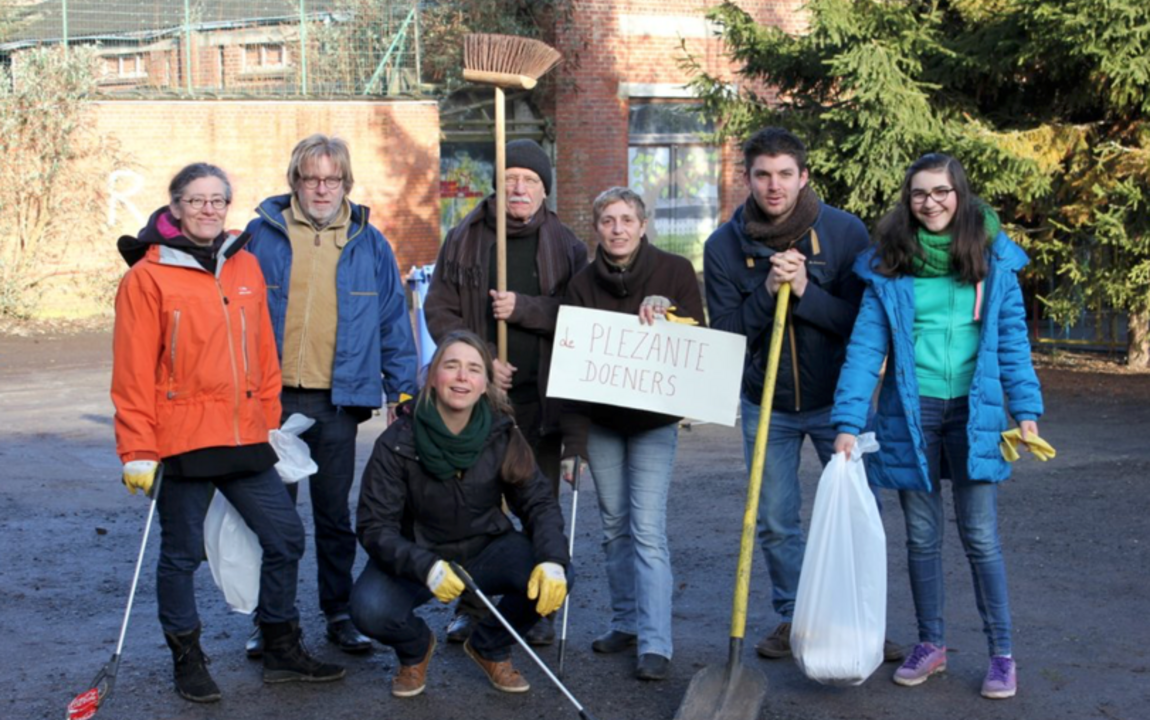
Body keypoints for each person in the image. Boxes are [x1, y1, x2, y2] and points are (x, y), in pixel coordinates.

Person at [111, 163, 345, 703]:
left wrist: (268, 422)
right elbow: (132, 372)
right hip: (182, 438)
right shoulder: (145, 278)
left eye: (218, 200)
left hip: (244, 436)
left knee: (285, 538)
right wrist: (137, 449)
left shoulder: (245, 266)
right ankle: (187, 659)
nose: (209, 210)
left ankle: (282, 647)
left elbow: (264, 354)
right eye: (196, 201)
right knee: (182, 554)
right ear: (173, 208)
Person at [832, 153, 1043, 700]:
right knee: (922, 538)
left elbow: (1014, 346)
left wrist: (1026, 413)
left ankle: (1001, 654)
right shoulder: (888, 263)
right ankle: (932, 644)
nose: (931, 202)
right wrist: (849, 420)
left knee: (980, 536)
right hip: (911, 411)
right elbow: (864, 348)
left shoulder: (995, 259)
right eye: (920, 193)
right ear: (908, 200)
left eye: (941, 191)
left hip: (977, 412)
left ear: (961, 194)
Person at [703, 127, 904, 662]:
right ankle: (799, 618)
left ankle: (863, 619)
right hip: (766, 405)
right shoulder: (723, 246)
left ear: (804, 176)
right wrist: (769, 294)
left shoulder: (842, 232)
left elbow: (862, 323)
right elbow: (725, 335)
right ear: (747, 178)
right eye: (763, 175)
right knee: (773, 518)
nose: (774, 186)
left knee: (859, 512)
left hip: (841, 402)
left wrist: (806, 293)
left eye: (785, 174)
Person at [245, 134, 418, 656]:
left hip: (339, 402)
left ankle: (340, 614)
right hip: (272, 402)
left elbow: (393, 320)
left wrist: (402, 393)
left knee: (333, 516)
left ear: (346, 182)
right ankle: (272, 620)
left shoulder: (370, 243)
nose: (322, 188)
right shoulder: (261, 236)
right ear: (294, 181)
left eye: (332, 178)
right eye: (311, 178)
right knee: (273, 517)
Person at [424, 138, 587, 644]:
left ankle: (535, 610)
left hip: (541, 405)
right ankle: (473, 609)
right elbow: (439, 310)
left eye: (531, 180)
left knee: (539, 507)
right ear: (499, 184)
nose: (520, 187)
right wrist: (480, 361)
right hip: (479, 403)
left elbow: (581, 319)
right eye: (512, 177)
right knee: (476, 511)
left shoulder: (568, 245)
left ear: (544, 190)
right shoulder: (465, 238)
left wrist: (523, 309)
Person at [350, 330, 570, 698]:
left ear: (485, 384)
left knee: (558, 573)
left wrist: (552, 559)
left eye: (473, 369)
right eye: (451, 366)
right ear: (433, 377)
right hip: (419, 553)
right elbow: (374, 527)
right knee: (369, 609)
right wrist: (426, 566)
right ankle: (414, 648)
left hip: (487, 547)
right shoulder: (396, 441)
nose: (462, 377)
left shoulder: (503, 434)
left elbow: (539, 503)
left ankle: (490, 646)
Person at [559, 188, 706, 681]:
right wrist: (573, 444)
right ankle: (624, 620)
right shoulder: (580, 285)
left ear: (643, 225)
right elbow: (573, 370)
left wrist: (672, 314)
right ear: (596, 228)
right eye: (607, 220)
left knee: (646, 530)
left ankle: (655, 641)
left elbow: (698, 338)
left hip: (652, 423)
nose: (617, 228)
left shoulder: (675, 271)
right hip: (601, 424)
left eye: (627, 219)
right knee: (612, 526)